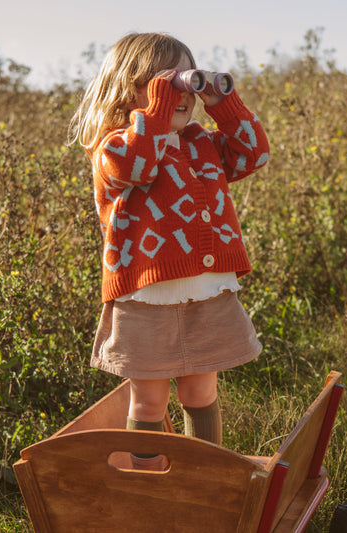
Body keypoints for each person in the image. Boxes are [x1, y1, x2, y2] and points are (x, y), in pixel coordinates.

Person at [69, 32, 269, 470]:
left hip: (208, 293)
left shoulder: (200, 141)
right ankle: (149, 490)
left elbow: (254, 155)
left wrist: (223, 102)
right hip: (146, 300)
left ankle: (203, 479)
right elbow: (135, 167)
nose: (179, 94)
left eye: (185, 83)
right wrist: (156, 112)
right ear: (128, 88)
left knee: (201, 394)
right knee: (148, 405)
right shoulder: (115, 146)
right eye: (165, 83)